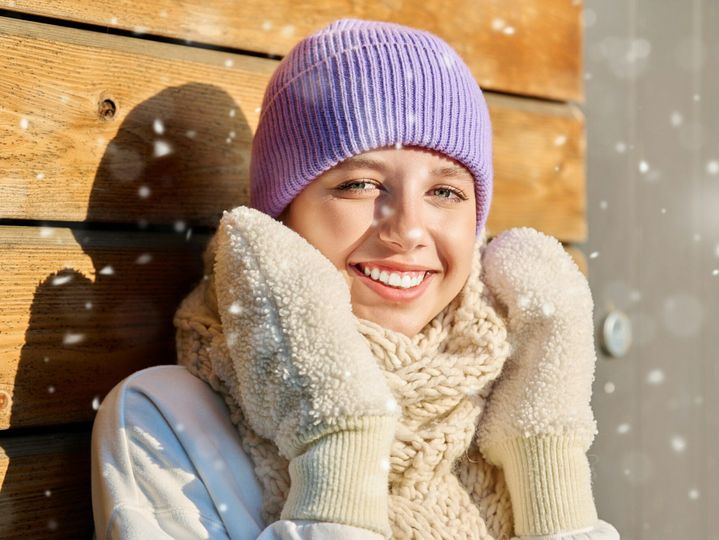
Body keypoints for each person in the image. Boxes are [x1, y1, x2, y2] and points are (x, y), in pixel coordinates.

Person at [91, 18, 621, 540]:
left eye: (445, 192)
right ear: (280, 223)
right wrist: (339, 434)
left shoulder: (503, 404)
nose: (408, 229)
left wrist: (546, 456)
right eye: (361, 184)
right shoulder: (165, 417)